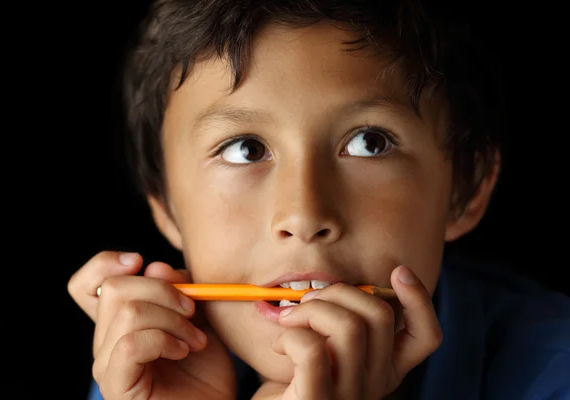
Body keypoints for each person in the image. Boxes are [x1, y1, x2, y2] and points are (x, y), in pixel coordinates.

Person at [67, 0, 570, 399]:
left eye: (369, 143)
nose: (304, 216)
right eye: (245, 150)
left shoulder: (555, 372)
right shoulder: (154, 368)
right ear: (165, 206)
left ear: (466, 189)